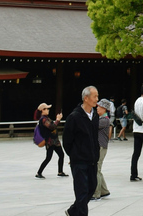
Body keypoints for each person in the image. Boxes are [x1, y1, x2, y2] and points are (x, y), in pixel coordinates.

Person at [62, 85, 100, 216]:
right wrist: (74, 155)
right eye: (95, 96)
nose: (97, 99)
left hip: (92, 160)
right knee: (82, 191)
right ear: (86, 98)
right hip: (79, 161)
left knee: (91, 187)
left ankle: (73, 211)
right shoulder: (74, 117)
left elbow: (95, 137)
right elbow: (67, 141)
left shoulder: (95, 116)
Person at [34, 103, 67, 179]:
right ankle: (39, 172)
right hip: (50, 141)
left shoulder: (46, 118)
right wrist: (58, 120)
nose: (48, 110)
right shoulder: (43, 119)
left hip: (54, 141)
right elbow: (52, 127)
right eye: (47, 109)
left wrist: (57, 120)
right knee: (48, 157)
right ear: (43, 110)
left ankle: (60, 171)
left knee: (61, 155)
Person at [91, 99, 112, 200]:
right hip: (100, 146)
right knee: (98, 169)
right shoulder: (101, 119)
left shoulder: (104, 120)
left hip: (101, 146)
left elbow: (91, 127)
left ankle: (96, 193)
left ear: (104, 109)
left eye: (99, 106)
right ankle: (104, 191)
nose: (97, 108)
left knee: (97, 169)